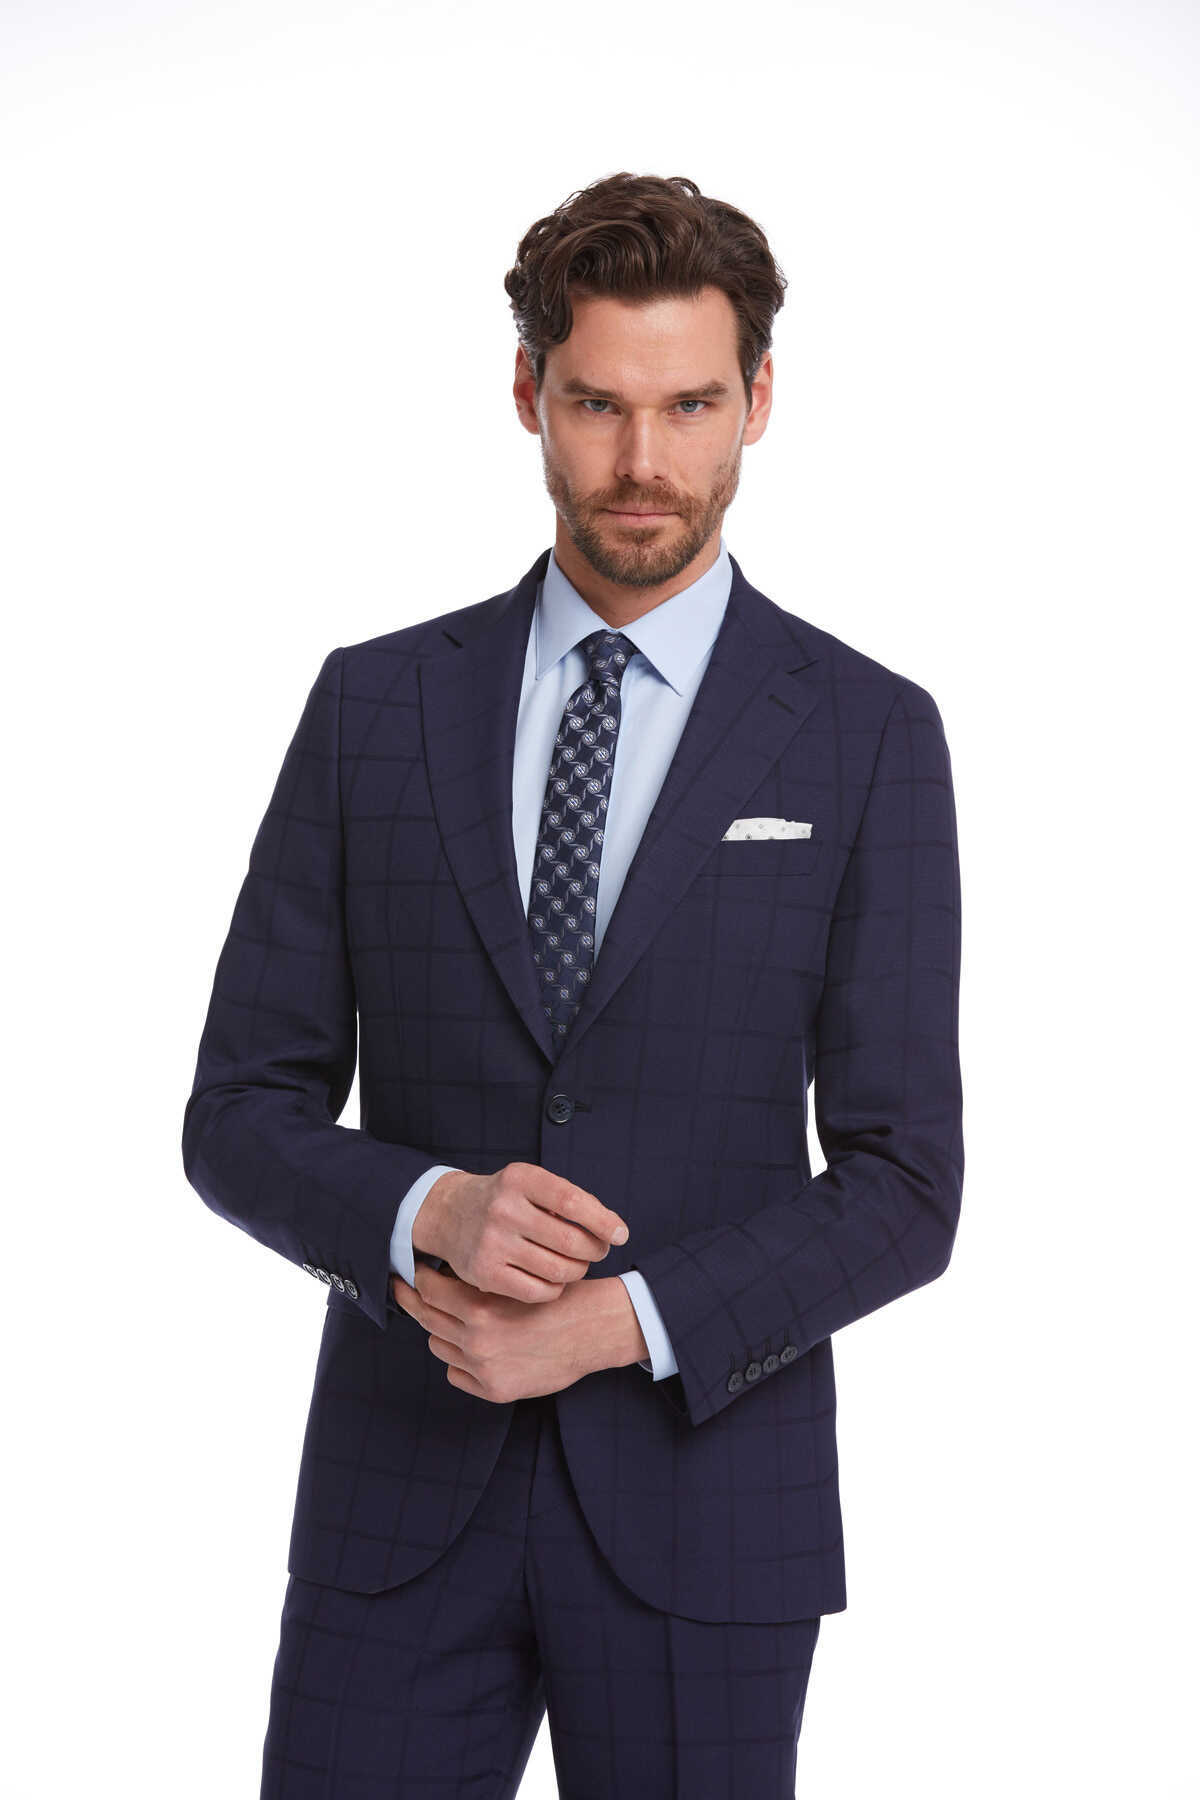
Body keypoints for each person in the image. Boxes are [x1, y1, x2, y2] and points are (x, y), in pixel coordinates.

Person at [182, 169, 964, 1799]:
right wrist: (430, 1213)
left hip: (708, 1516)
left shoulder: (867, 734)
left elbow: (905, 1184)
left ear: (758, 399)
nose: (644, 462)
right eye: (600, 404)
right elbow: (238, 1112)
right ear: (529, 391)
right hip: (399, 1503)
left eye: (690, 405)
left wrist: (620, 1324)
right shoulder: (375, 709)